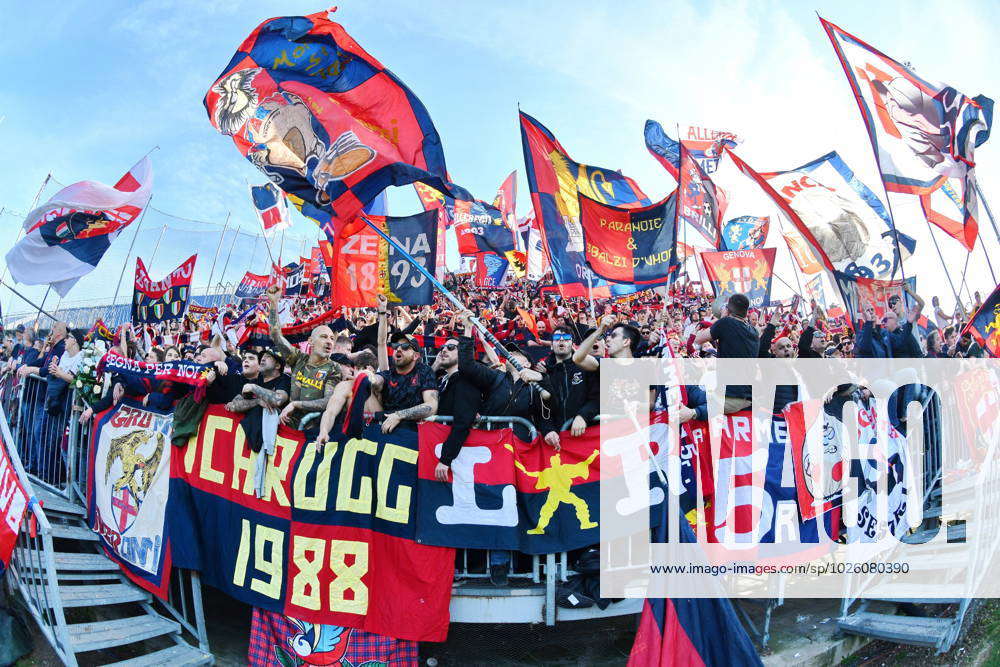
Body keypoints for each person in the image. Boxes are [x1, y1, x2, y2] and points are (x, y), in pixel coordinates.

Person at [265, 285, 340, 433]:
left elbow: (327, 402)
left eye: (332, 339)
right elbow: (276, 336)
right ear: (310, 341)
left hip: (312, 431)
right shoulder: (298, 358)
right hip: (286, 425)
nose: (330, 342)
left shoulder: (333, 368)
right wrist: (274, 303)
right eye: (324, 337)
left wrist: (296, 404)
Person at [364, 295, 438, 434]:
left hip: (412, 434)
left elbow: (432, 406)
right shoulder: (389, 373)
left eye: (405, 347)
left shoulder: (424, 372)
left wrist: (399, 415)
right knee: (362, 386)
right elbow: (381, 343)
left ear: (416, 355)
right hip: (384, 431)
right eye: (396, 345)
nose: (398, 348)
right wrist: (367, 376)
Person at [694, 294, 759, 413]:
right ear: (746, 312)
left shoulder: (726, 323)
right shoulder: (754, 331)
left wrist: (722, 317)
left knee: (691, 395)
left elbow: (698, 339)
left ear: (728, 310)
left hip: (729, 397)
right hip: (748, 397)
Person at [430, 337, 482, 482]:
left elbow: (462, 423)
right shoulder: (441, 380)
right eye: (442, 348)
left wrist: (445, 459)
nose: (444, 350)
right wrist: (436, 364)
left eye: (451, 347)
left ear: (464, 353)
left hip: (454, 459)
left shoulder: (466, 381)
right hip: (435, 448)